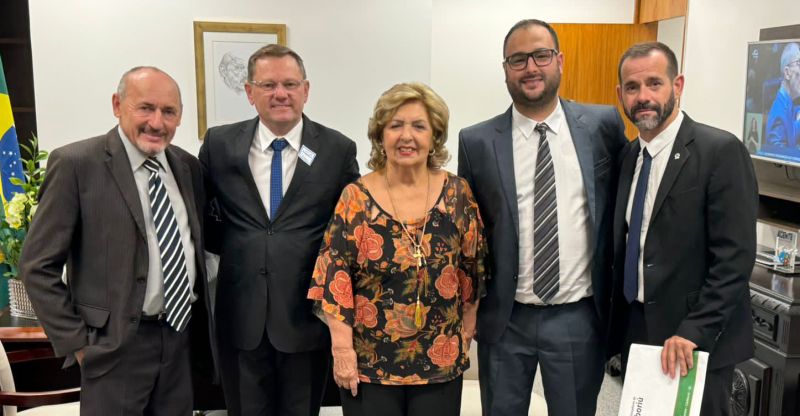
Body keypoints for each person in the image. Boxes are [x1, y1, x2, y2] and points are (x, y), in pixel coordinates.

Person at [19, 66, 215, 415]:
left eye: (168, 112)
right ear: (117, 104)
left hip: (180, 343)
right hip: (113, 351)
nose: (157, 122)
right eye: (145, 108)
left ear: (180, 116)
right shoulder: (76, 164)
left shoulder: (188, 167)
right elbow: (37, 265)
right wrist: (79, 344)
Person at [457, 19, 627, 416]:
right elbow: (470, 233)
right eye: (518, 59)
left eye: (541, 55)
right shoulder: (477, 141)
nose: (531, 67)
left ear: (560, 61)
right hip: (506, 317)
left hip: (578, 316)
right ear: (505, 69)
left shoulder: (603, 125)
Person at [308, 82, 486, 416]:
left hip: (440, 361)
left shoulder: (458, 194)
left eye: (419, 126)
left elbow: (472, 271)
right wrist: (342, 350)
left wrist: (464, 334)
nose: (407, 136)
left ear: (434, 136)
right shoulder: (355, 198)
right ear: (379, 136)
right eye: (395, 125)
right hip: (369, 364)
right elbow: (334, 280)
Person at [200, 44, 359, 416]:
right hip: (240, 316)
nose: (280, 94)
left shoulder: (337, 149)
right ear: (249, 92)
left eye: (290, 84)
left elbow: (348, 232)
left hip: (306, 317)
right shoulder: (219, 144)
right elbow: (204, 218)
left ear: (306, 90)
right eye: (268, 84)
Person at [609, 42, 757, 415]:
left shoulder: (719, 151)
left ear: (678, 85)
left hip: (693, 338)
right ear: (620, 94)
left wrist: (695, 330)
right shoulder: (629, 157)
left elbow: (734, 258)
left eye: (654, 84)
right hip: (638, 331)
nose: (643, 96)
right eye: (632, 87)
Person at [766, 42, 800, 148]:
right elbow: (781, 156)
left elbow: (790, 131)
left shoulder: (787, 104)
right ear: (787, 73)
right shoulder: (779, 115)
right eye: (799, 63)